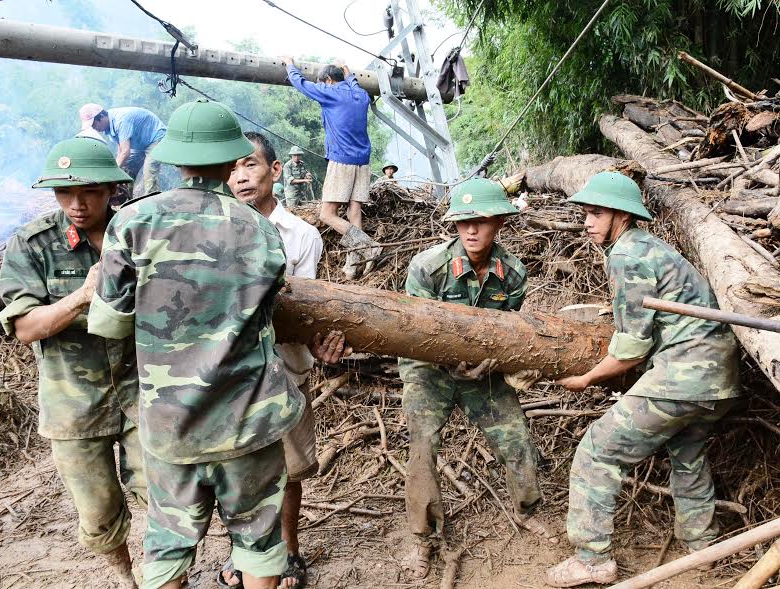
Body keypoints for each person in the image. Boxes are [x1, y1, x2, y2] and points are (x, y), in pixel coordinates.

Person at [87, 99, 305, 589]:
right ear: (232, 160)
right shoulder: (261, 230)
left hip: (170, 424)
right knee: (260, 546)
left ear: (174, 158)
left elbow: (109, 323)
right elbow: (268, 311)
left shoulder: (132, 223)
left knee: (166, 549)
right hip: (248, 420)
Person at [545, 172, 741, 587]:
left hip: (683, 377)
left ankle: (592, 559)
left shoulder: (628, 255)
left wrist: (585, 378)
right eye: (585, 213)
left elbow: (631, 349)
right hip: (720, 379)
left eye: (595, 213)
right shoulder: (652, 248)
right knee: (687, 455)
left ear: (621, 215)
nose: (586, 221)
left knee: (597, 452)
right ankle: (703, 546)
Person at [0, 138, 144, 588]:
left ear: (112, 190)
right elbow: (24, 327)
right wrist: (82, 296)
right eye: (65, 194)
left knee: (166, 496)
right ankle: (125, 579)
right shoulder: (34, 244)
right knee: (98, 512)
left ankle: (166, 576)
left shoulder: (141, 233)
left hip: (145, 393)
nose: (77, 205)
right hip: (74, 404)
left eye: (90, 192)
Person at [398, 178, 558, 580]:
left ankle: (526, 511)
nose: (471, 230)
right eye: (463, 221)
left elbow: (508, 335)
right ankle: (423, 536)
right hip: (428, 370)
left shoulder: (513, 275)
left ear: (500, 222)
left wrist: (490, 363)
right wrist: (452, 362)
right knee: (422, 444)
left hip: (482, 373)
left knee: (516, 436)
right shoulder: (428, 268)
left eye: (482, 221)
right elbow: (415, 333)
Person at [225, 131, 347, 589]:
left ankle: (289, 551)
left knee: (290, 469)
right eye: (233, 168)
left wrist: (319, 344)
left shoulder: (302, 235)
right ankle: (245, 555)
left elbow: (303, 309)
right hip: (233, 376)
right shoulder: (217, 231)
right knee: (237, 470)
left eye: (250, 165)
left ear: (275, 171)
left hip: (285, 371)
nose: (240, 177)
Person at [281, 57, 381, 279]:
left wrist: (290, 65)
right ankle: (354, 263)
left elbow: (301, 84)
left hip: (342, 160)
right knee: (354, 211)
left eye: (323, 82)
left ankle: (368, 246)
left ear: (328, 80)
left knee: (327, 214)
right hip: (363, 161)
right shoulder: (360, 95)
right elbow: (353, 85)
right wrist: (350, 75)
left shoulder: (331, 92)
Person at [78, 103, 167, 199]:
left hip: (155, 137)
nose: (95, 128)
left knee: (149, 171)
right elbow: (121, 150)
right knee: (125, 170)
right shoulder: (109, 127)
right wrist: (115, 171)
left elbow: (125, 152)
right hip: (139, 144)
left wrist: (112, 173)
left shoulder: (121, 120)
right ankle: (125, 201)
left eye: (94, 125)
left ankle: (153, 203)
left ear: (102, 116)